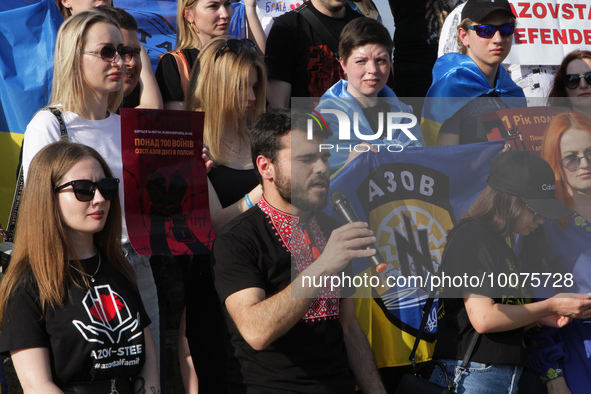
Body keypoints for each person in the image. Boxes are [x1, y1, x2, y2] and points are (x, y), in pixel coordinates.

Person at [21, 9, 161, 370]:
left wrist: (187, 171)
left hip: (135, 264)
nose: (121, 61)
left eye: (125, 51)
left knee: (147, 372)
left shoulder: (131, 127)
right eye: (106, 52)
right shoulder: (49, 125)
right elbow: (42, 211)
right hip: (72, 272)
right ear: (73, 57)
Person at [213, 109, 387, 393]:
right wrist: (323, 265)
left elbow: (349, 327)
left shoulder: (332, 229)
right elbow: (256, 331)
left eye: (325, 158)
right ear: (265, 166)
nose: (321, 168)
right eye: (306, 159)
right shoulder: (238, 240)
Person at [0, 141, 159, 393]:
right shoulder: (26, 284)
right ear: (47, 196)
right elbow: (37, 385)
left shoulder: (119, 267)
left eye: (106, 187)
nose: (99, 199)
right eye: (83, 190)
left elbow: (149, 366)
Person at [429, 149, 591, 393]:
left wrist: (536, 318)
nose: (540, 222)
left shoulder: (498, 244)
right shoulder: (473, 237)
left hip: (494, 374)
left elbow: (492, 323)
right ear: (511, 201)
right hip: (472, 376)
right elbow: (483, 319)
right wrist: (550, 306)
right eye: (536, 212)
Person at [178, 36, 265, 393]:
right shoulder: (193, 146)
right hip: (215, 292)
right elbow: (209, 227)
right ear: (217, 87)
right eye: (243, 87)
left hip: (267, 279)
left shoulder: (261, 137)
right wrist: (263, 192)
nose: (250, 97)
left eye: (255, 86)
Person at [525, 112, 591, 394]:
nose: (584, 164)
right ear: (556, 164)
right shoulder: (540, 224)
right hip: (578, 357)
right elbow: (539, 307)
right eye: (571, 158)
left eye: (590, 153)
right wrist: (553, 374)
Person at [316, 17, 424, 174]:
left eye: (380, 60)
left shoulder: (405, 115)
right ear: (343, 64)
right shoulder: (324, 120)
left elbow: (426, 168)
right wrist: (348, 167)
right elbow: (314, 188)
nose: (373, 69)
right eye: (361, 61)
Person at [421, 0, 525, 146]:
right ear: (464, 36)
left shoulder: (512, 92)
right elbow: (445, 161)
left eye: (506, 29)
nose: (498, 39)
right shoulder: (451, 90)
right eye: (486, 30)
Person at [155, 0, 265, 110]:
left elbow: (263, 67)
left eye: (227, 4)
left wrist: (250, 11)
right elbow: (180, 123)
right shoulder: (175, 63)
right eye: (213, 6)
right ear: (189, 14)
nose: (225, 14)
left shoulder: (238, 53)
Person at [265, 0, 361, 108]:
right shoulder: (287, 27)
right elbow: (278, 108)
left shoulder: (365, 29)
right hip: (304, 123)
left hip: (358, 122)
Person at [95, 7, 163, 110]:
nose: (132, 62)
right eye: (121, 51)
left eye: (136, 53)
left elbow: (153, 108)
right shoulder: (65, 121)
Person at [548, 51, 591, 115]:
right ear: (563, 88)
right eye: (573, 80)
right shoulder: (551, 124)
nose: (583, 85)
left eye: (590, 77)